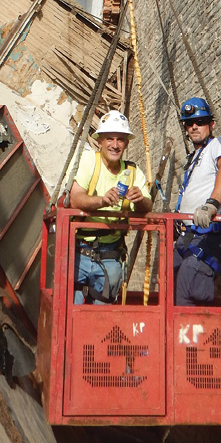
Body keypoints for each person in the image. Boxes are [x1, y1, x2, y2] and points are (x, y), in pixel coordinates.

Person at [69, 110, 152, 304]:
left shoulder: (132, 171)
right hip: (79, 249)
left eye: (120, 140)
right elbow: (75, 198)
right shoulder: (89, 161)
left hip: (110, 254)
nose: (115, 145)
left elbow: (148, 205)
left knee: (103, 314)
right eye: (110, 139)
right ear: (100, 141)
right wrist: (102, 201)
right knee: (70, 310)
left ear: (127, 143)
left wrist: (139, 199)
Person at [173, 96, 221, 306]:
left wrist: (212, 204)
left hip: (208, 236)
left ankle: (190, 339)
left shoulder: (215, 146)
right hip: (187, 237)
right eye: (189, 123)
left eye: (200, 122)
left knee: (189, 282)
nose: (194, 127)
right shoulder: (194, 157)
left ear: (211, 124)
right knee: (167, 280)